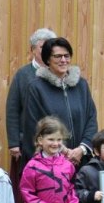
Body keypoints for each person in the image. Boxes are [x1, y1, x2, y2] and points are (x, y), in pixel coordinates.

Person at [6, 28, 57, 203]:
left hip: (53, 143)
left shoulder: (57, 74)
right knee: (28, 185)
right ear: (33, 50)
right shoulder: (23, 75)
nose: (46, 50)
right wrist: (14, 142)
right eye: (42, 46)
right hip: (27, 142)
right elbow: (12, 109)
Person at [23, 37, 98, 168]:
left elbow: (91, 119)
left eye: (66, 56)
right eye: (58, 56)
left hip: (82, 161)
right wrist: (63, 151)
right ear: (47, 60)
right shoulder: (36, 88)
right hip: (51, 165)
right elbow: (33, 127)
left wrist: (81, 149)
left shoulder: (82, 85)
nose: (63, 60)